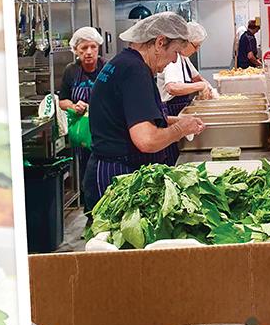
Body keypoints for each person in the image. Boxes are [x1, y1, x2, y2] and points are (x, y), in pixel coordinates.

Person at [84, 11, 205, 210]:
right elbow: (147, 140)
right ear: (159, 42)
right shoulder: (135, 71)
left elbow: (134, 120)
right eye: (175, 52)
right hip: (117, 177)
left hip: (111, 170)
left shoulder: (125, 63)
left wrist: (180, 122)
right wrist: (180, 130)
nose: (174, 61)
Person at [59, 27, 106, 213]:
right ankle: (90, 215)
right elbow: (62, 100)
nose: (88, 52)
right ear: (76, 51)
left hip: (105, 130)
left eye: (93, 47)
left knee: (104, 174)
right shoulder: (71, 71)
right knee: (87, 176)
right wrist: (73, 106)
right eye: (83, 48)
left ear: (98, 48)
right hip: (83, 134)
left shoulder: (107, 67)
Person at [158, 21, 216, 116]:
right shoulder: (172, 59)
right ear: (186, 42)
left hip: (181, 110)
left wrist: (211, 89)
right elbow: (172, 88)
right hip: (171, 112)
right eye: (196, 46)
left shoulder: (184, 58)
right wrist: (200, 86)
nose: (197, 50)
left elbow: (197, 77)